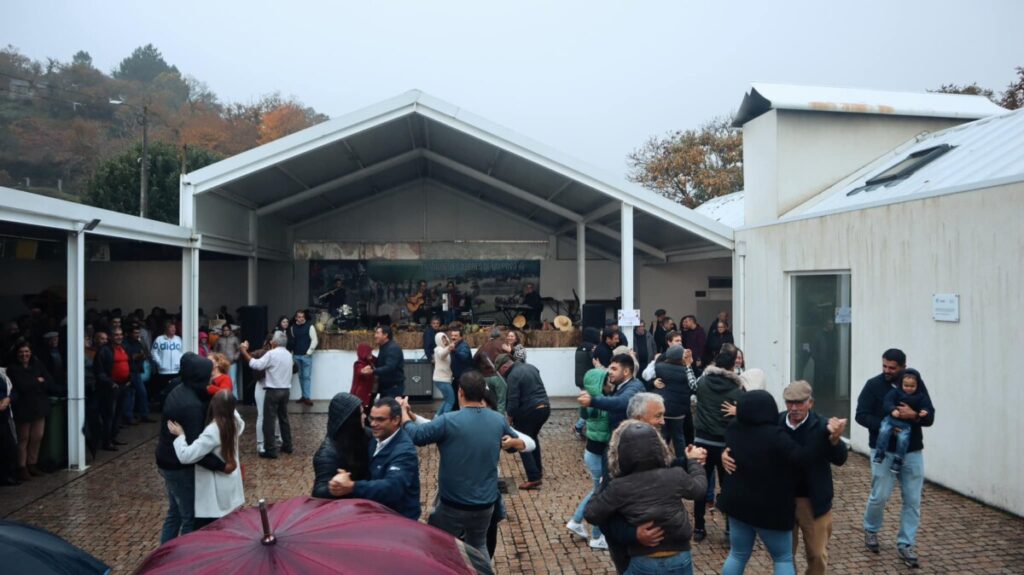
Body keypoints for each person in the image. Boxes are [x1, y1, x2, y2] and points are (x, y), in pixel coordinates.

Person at [722, 380, 849, 575]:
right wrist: (727, 453)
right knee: (785, 555)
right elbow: (751, 441)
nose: (794, 407)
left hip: (811, 501)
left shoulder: (823, 425)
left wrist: (834, 440)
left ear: (810, 402)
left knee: (817, 555)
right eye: (789, 402)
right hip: (780, 500)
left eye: (800, 402)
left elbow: (840, 459)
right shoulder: (775, 422)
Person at [401, 371, 519, 559]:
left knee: (439, 548)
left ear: (460, 392)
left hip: (452, 505)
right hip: (485, 504)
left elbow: (417, 436)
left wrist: (404, 415)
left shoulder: (448, 420)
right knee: (478, 546)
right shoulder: (497, 420)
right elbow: (513, 444)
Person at [584, 421, 708, 575]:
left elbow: (591, 513)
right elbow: (699, 489)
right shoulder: (675, 475)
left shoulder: (619, 486)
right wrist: (694, 463)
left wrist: (601, 486)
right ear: (660, 447)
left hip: (643, 558)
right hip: (679, 556)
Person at [856, 349, 935, 568]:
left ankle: (906, 544)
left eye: (892, 367)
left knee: (913, 501)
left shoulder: (915, 384)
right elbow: (861, 415)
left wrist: (914, 416)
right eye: (884, 366)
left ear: (903, 366)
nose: (887, 371)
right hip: (884, 451)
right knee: (879, 496)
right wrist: (887, 428)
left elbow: (930, 416)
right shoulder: (873, 385)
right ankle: (871, 530)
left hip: (912, 452)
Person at [155, 352, 230, 543]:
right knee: (189, 517)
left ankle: (164, 555)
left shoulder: (179, 389)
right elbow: (197, 450)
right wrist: (222, 466)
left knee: (175, 513)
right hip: (177, 465)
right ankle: (184, 559)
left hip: (166, 459)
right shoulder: (191, 406)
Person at [327, 397, 421, 520]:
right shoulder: (375, 439)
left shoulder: (404, 451)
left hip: (400, 520)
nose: (373, 424)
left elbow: (393, 487)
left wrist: (352, 486)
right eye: (372, 418)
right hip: (380, 515)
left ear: (396, 420)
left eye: (380, 420)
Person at [168, 390, 245, 528]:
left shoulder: (214, 430)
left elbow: (186, 456)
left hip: (215, 497)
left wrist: (180, 436)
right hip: (230, 487)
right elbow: (234, 411)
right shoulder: (235, 422)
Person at [692, 346, 745, 542]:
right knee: (728, 487)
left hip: (702, 442)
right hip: (726, 445)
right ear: (733, 365)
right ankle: (730, 530)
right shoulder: (737, 388)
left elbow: (693, 387)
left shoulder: (703, 382)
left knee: (700, 486)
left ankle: (698, 527)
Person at [567, 367, 611, 550]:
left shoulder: (590, 404)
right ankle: (596, 535)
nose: (611, 384)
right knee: (600, 496)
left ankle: (576, 521)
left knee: (597, 492)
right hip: (598, 455)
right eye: (607, 382)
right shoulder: (601, 406)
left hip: (592, 453)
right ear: (599, 384)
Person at [495, 354, 549, 490]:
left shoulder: (513, 376)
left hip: (529, 410)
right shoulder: (531, 367)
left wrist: (509, 420)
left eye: (500, 370)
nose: (500, 374)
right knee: (533, 438)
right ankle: (538, 470)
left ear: (505, 366)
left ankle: (533, 477)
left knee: (522, 442)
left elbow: (513, 402)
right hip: (545, 408)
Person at [240, 331, 293, 459]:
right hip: (285, 390)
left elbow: (255, 365)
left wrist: (243, 351)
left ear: (274, 342)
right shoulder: (288, 354)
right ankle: (288, 445)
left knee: (268, 421)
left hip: (273, 390)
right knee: (283, 419)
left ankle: (270, 449)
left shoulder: (272, 354)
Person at [7, 342, 53, 480]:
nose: (24, 355)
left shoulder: (37, 365)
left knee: (37, 436)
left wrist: (35, 382)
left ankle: (32, 463)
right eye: (21, 352)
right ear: (17, 354)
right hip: (23, 407)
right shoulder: (13, 369)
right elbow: (21, 385)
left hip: (39, 406)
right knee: (23, 438)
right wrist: (37, 381)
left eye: (26, 351)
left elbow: (49, 381)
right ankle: (22, 466)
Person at [873, 370, 932, 475]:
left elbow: (927, 408)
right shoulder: (895, 392)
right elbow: (887, 402)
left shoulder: (921, 396)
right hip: (891, 420)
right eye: (906, 385)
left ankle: (898, 460)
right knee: (884, 430)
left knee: (903, 439)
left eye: (912, 386)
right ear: (901, 384)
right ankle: (880, 453)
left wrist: (923, 412)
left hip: (906, 425)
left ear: (917, 385)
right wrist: (892, 409)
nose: (909, 388)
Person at [312, 393, 370, 498]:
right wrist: (335, 487)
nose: (365, 416)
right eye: (361, 414)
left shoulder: (365, 435)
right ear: (352, 419)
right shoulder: (327, 454)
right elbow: (318, 491)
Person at [578, 354, 646, 438]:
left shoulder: (634, 387)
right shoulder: (620, 385)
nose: (609, 372)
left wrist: (592, 401)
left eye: (614, 369)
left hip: (629, 439)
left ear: (626, 372)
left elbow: (622, 402)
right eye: (610, 368)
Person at [651, 345, 697, 455]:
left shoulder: (659, 367)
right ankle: (682, 461)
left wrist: (653, 382)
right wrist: (689, 362)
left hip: (664, 408)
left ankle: (662, 459)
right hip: (679, 411)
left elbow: (647, 376)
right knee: (679, 437)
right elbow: (693, 384)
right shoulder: (685, 371)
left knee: (663, 437)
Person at [93, 327, 130, 451]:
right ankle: (106, 441)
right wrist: (110, 383)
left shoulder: (123, 348)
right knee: (109, 415)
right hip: (110, 387)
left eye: (120, 334)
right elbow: (99, 371)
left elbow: (129, 364)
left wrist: (129, 379)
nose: (119, 337)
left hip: (124, 385)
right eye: (116, 335)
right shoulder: (105, 350)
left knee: (118, 414)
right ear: (111, 336)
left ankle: (113, 437)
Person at [363, 325, 404, 397]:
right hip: (386, 387)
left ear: (385, 335)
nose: (375, 336)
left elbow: (390, 367)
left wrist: (372, 371)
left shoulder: (393, 348)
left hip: (393, 388)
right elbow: (381, 362)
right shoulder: (384, 347)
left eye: (377, 333)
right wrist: (370, 358)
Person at [151, 321, 183, 405]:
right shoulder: (159, 339)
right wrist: (160, 363)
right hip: (163, 371)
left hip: (176, 371)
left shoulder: (178, 339)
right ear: (166, 329)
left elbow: (182, 352)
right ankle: (163, 407)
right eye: (171, 327)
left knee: (175, 391)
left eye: (174, 327)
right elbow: (153, 352)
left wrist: (179, 363)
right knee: (163, 391)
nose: (174, 329)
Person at [290, 310, 318, 406]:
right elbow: (293, 341)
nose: (301, 318)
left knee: (306, 377)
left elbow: (314, 340)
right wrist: (292, 354)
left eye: (302, 317)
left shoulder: (310, 326)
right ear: (296, 318)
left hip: (306, 356)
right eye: (299, 317)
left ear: (304, 317)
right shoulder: (292, 328)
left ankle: (307, 397)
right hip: (296, 355)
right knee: (300, 377)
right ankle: (303, 396)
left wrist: (309, 352)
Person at [447, 322, 473, 404]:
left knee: (460, 400)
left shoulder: (463, 346)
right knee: (454, 399)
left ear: (461, 337)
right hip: (457, 377)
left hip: (463, 378)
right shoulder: (455, 345)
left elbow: (464, 357)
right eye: (452, 336)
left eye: (455, 336)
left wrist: (454, 351)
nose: (453, 337)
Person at [213, 325, 240, 400]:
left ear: (230, 330)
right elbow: (215, 351)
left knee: (232, 380)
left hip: (232, 363)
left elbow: (239, 350)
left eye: (227, 330)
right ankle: (224, 397)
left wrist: (235, 357)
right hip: (222, 364)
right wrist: (218, 360)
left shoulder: (235, 339)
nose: (225, 332)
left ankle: (234, 398)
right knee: (222, 380)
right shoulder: (219, 339)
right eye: (224, 330)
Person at [432, 331, 455, 416]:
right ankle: (445, 420)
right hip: (442, 379)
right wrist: (449, 348)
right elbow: (442, 355)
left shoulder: (445, 349)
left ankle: (437, 417)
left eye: (445, 337)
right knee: (451, 401)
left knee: (446, 400)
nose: (444, 339)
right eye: (442, 338)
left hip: (442, 379)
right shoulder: (438, 348)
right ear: (438, 340)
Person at [350, 343, 376, 409]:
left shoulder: (370, 362)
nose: (370, 354)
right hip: (360, 394)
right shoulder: (359, 364)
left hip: (368, 393)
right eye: (368, 352)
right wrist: (364, 371)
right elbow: (360, 371)